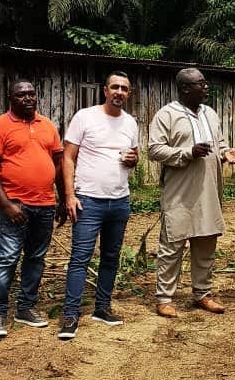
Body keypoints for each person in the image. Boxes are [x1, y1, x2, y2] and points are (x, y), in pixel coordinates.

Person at [148, 68, 235, 318]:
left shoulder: (210, 113)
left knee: (206, 243)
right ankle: (165, 298)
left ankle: (202, 293)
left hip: (208, 191)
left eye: (205, 83)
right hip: (179, 193)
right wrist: (187, 153)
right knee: (172, 245)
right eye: (200, 84)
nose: (206, 87)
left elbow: (219, 143)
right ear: (185, 89)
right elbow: (154, 149)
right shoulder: (167, 115)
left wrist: (226, 153)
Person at [58, 71, 139, 339]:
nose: (119, 92)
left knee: (111, 257)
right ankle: (70, 315)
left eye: (124, 88)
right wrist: (70, 195)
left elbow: (135, 156)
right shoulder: (85, 117)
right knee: (80, 258)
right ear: (105, 90)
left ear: (128, 94)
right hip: (88, 200)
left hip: (119, 200)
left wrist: (133, 160)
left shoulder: (130, 123)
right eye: (115, 87)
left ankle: (102, 308)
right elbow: (68, 158)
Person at [0, 79, 66, 337]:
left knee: (36, 258)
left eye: (31, 94)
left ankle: (26, 308)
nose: (28, 98)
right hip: (15, 206)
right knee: (7, 258)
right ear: (11, 98)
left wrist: (63, 199)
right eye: (21, 95)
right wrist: (6, 204)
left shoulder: (47, 125)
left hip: (45, 204)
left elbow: (58, 164)